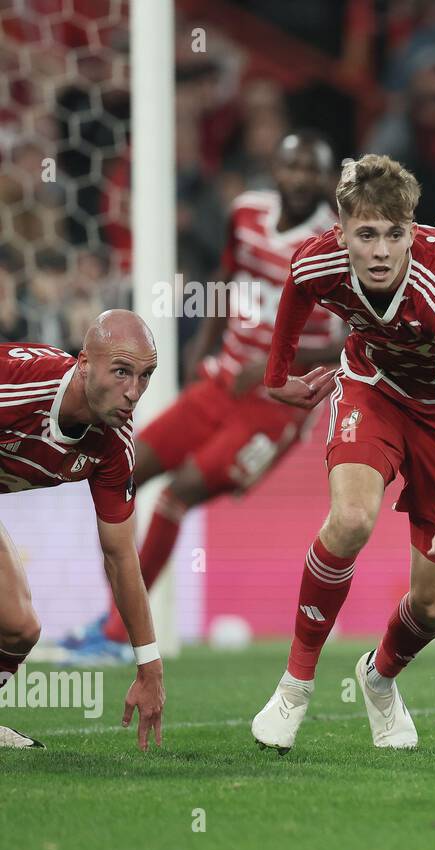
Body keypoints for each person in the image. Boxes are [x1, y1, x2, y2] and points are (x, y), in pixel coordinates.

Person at [61, 131, 344, 664]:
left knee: (178, 494)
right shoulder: (246, 214)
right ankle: (110, 620)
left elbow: (349, 335)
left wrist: (277, 364)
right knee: (123, 470)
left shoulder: (336, 244)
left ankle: (121, 638)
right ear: (275, 170)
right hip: (221, 381)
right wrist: (203, 350)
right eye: (293, 166)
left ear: (325, 179)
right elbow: (226, 275)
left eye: (312, 168)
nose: (301, 178)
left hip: (276, 406)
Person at [250, 153, 435, 753]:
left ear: (413, 230)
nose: (383, 250)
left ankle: (380, 677)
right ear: (343, 234)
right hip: (375, 388)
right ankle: (295, 684)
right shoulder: (319, 259)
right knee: (352, 518)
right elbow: (295, 292)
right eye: (367, 235)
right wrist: (277, 374)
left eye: (396, 234)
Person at [0, 311, 165, 750]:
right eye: (121, 372)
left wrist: (149, 667)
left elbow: (120, 555)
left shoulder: (113, 446)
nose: (134, 392)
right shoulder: (18, 384)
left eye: (146, 376)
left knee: (18, 629)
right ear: (84, 363)